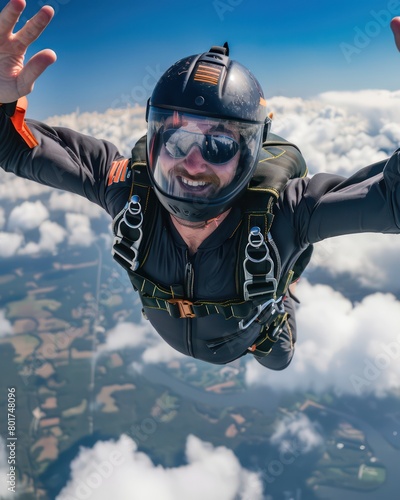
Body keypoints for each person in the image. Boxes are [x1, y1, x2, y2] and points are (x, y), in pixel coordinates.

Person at [2, 0, 400, 372]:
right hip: (213, 332)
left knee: (279, 359)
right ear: (154, 141)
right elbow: (15, 147)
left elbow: (392, 202)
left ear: (248, 154)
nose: (192, 163)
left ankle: (284, 295)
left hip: (254, 335)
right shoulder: (126, 187)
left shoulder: (285, 212)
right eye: (176, 139)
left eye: (219, 144)